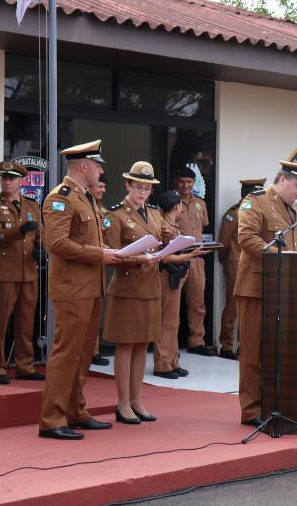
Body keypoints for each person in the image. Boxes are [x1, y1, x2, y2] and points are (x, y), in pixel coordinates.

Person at [39, 140, 124, 440]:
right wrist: (100, 254)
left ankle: (75, 410)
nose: (100, 171)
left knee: (83, 353)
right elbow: (57, 244)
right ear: (84, 166)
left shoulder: (85, 198)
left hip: (91, 287)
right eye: (97, 165)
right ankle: (52, 419)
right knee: (67, 353)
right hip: (73, 289)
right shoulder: (60, 198)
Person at [235, 161, 297, 426]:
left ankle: (274, 405)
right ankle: (251, 410)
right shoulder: (256, 201)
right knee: (253, 353)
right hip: (256, 288)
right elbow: (247, 239)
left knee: (276, 352)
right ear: (282, 180)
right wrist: (279, 254)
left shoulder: (294, 209)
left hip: (284, 290)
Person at [101, 162, 166, 424]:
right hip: (127, 288)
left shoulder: (154, 213)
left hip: (150, 286)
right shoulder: (115, 215)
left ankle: (137, 400)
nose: (142, 192)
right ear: (127, 185)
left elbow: (163, 240)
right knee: (126, 345)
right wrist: (139, 259)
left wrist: (180, 248)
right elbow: (111, 255)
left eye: (147, 188)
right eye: (138, 187)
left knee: (142, 344)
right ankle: (123, 403)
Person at [0, 161, 43, 384]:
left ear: (21, 181)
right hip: (4, 272)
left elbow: (40, 233)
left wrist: (41, 248)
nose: (7, 182)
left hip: (29, 271)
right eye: (4, 178)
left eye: (11, 178)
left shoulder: (32, 205)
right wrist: (20, 231)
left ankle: (25, 365)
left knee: (26, 322)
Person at [154, 191, 209, 379]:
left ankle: (172, 361)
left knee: (173, 320)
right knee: (166, 320)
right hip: (168, 274)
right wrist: (191, 254)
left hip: (176, 274)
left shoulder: (171, 224)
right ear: (177, 206)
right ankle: (163, 363)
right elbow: (166, 256)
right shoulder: (165, 227)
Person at [216, 178, 265, 361]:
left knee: (248, 308)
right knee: (233, 305)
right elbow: (223, 242)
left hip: (254, 266)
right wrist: (227, 261)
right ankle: (226, 345)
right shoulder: (234, 213)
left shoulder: (259, 212)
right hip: (236, 264)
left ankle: (244, 347)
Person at [174, 166, 214, 356]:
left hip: (196, 258)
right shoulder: (171, 202)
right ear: (176, 182)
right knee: (171, 305)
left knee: (198, 303)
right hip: (177, 258)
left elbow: (203, 228)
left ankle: (196, 342)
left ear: (194, 183)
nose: (185, 185)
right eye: (182, 182)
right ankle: (169, 344)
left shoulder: (200, 204)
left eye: (189, 182)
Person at [88, 173, 110, 367]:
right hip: (85, 264)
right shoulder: (83, 206)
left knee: (96, 311)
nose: (102, 190)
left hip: (99, 266)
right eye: (99, 186)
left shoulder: (104, 211)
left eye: (104, 186)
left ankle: (93, 350)